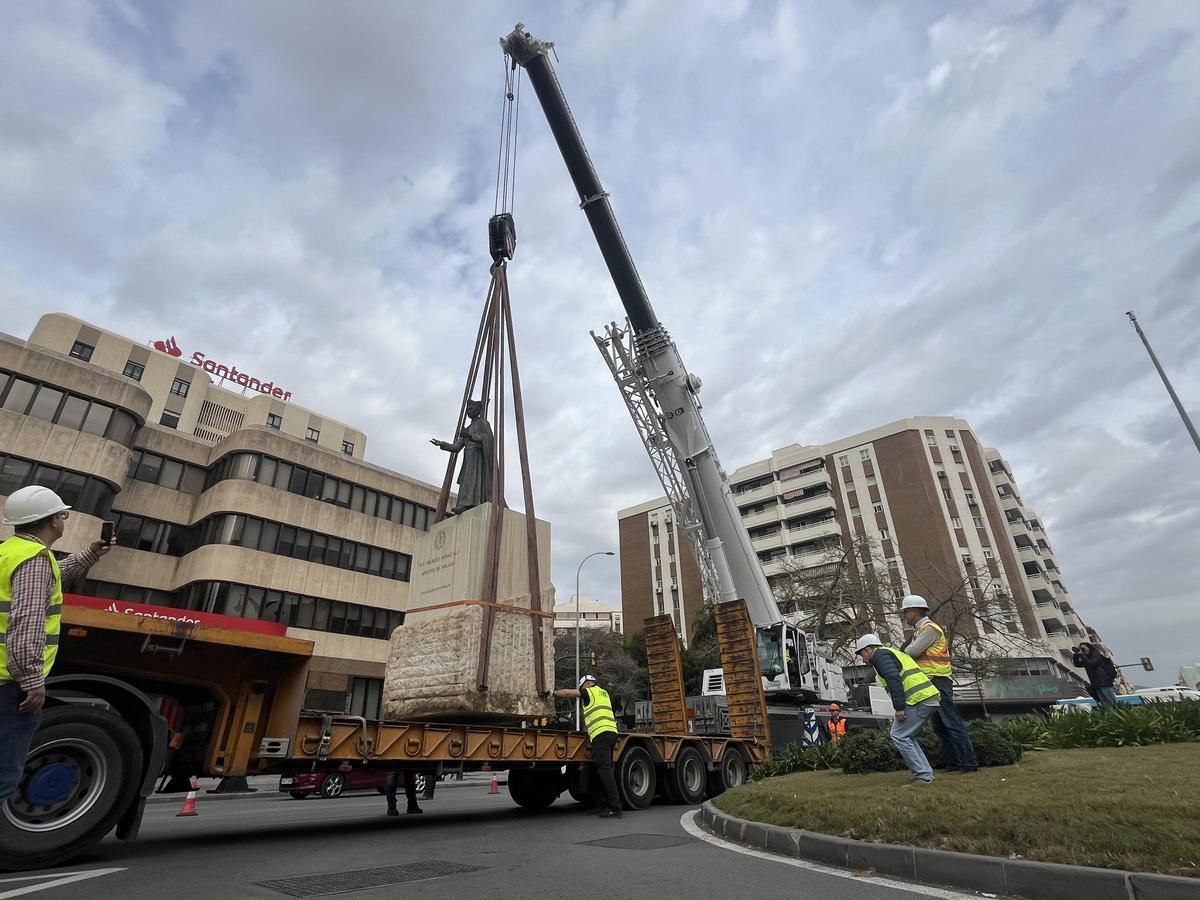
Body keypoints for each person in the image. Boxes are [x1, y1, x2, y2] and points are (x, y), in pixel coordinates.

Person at [1, 486, 111, 804]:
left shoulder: (9, 553)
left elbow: (51, 576)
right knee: (3, 778)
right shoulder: (34, 559)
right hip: (9, 685)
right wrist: (32, 681)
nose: (63, 520)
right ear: (52, 522)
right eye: (62, 515)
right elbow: (26, 625)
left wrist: (91, 555)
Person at [900, 595, 978, 774]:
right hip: (930, 683)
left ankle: (970, 764)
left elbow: (911, 652)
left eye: (906, 612)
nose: (904, 616)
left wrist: (907, 651)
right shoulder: (921, 630)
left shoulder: (929, 629)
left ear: (914, 611)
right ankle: (954, 764)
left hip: (938, 681)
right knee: (940, 726)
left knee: (952, 723)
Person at [855, 633, 942, 785]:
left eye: (862, 654)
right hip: (927, 697)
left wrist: (899, 707)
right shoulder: (892, 653)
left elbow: (894, 679)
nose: (862, 659)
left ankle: (922, 776)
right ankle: (926, 774)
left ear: (868, 649)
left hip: (918, 699)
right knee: (908, 736)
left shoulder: (880, 656)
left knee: (899, 735)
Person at [552, 674, 622, 818]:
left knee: (605, 771)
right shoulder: (605, 693)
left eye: (582, 687)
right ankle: (602, 805)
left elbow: (567, 693)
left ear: (587, 684)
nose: (581, 691)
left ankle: (615, 808)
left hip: (601, 735)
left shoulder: (590, 691)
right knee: (604, 770)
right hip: (611, 733)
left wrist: (552, 692)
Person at [430, 399, 494, 514]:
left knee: (475, 480)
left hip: (478, 458)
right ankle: (465, 504)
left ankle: (469, 504)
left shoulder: (483, 423)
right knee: (467, 482)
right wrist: (442, 444)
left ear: (478, 410)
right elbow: (456, 447)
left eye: (471, 408)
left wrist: (470, 436)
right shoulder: (468, 428)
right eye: (467, 409)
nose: (468, 411)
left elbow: (488, 440)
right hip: (468, 459)